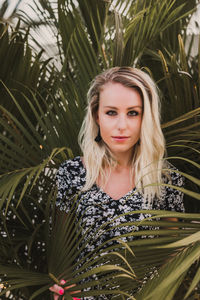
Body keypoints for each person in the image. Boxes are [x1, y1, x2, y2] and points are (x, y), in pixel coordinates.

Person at [49, 67, 185, 299]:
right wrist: (61, 289)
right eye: (111, 112)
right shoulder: (72, 174)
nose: (122, 125)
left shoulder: (165, 179)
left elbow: (173, 259)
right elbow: (61, 253)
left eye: (133, 113)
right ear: (96, 115)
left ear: (146, 118)